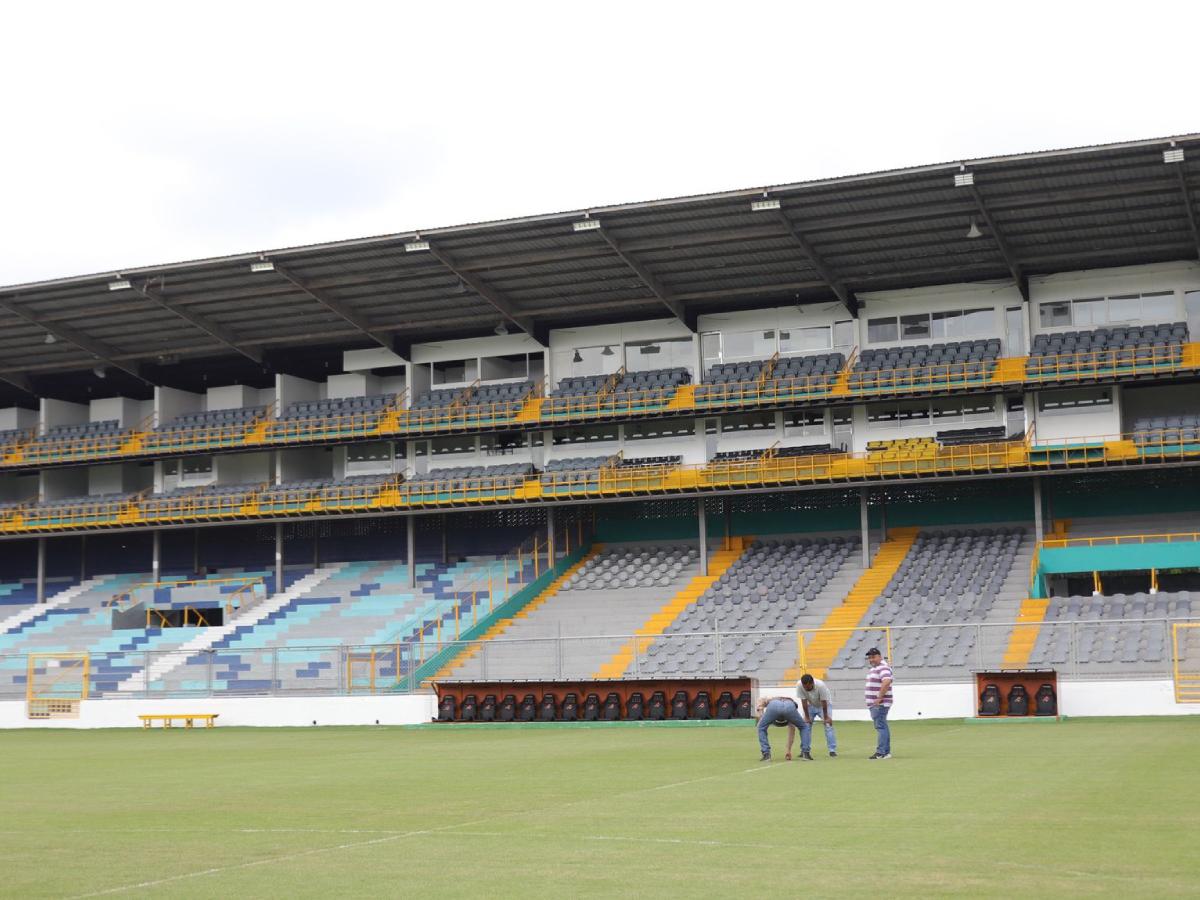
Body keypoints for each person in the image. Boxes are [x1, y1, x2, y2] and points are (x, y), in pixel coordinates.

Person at [796, 673, 837, 759]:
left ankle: (832, 750)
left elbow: (824, 702)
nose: (806, 689)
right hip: (810, 704)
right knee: (806, 727)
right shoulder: (799, 685)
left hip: (824, 705)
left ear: (812, 683)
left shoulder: (820, 685)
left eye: (808, 687)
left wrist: (826, 717)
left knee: (828, 726)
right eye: (805, 687)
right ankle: (805, 750)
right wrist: (807, 717)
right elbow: (803, 702)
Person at [755, 695, 806, 761]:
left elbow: (760, 701)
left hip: (774, 706)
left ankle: (766, 754)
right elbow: (791, 734)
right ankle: (805, 753)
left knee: (761, 727)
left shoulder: (771, 699)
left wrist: (761, 717)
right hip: (789, 707)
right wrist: (788, 750)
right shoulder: (791, 711)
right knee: (803, 727)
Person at [864, 647, 893, 759]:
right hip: (877, 704)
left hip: (880, 704)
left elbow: (886, 682)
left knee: (880, 727)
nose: (871, 659)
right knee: (882, 726)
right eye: (869, 657)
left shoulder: (883, 668)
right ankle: (886, 752)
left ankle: (881, 752)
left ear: (880, 657)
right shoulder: (876, 668)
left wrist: (879, 698)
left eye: (873, 657)